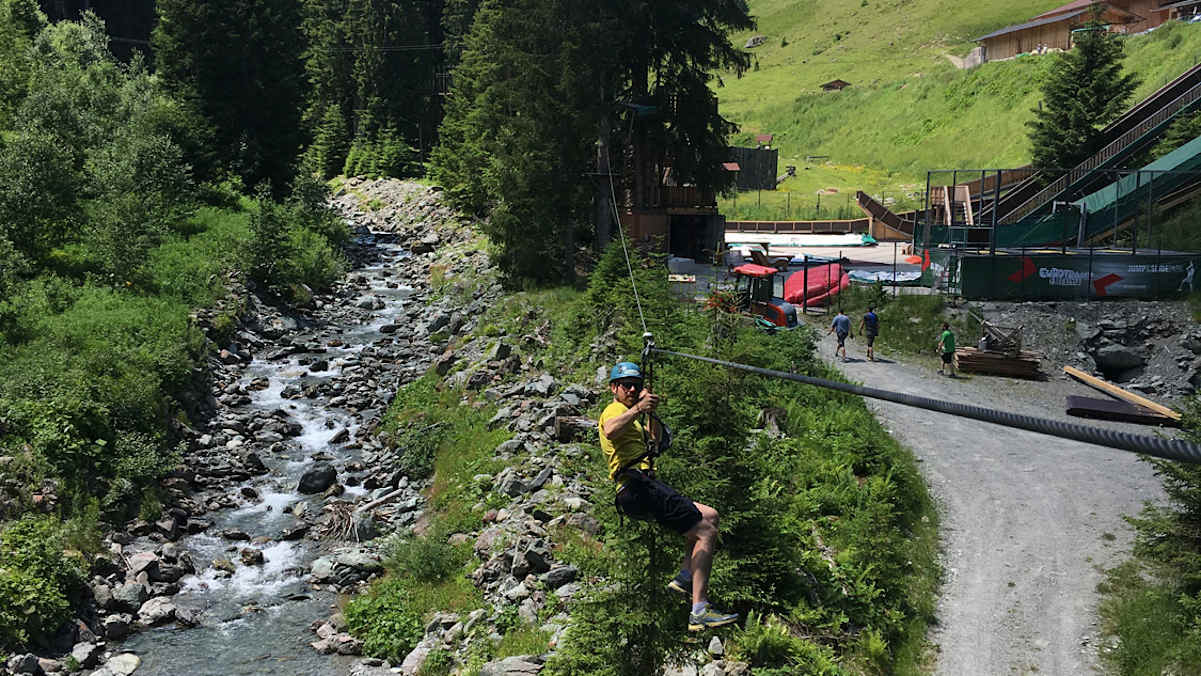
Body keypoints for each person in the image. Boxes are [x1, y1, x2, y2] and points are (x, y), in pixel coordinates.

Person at [598, 361, 739, 632]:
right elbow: (610, 430)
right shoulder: (613, 410)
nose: (631, 389)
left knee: (709, 516)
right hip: (635, 487)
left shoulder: (633, 417)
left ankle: (685, 576)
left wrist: (649, 412)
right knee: (705, 529)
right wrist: (639, 407)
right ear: (613, 388)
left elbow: (656, 442)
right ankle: (699, 609)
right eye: (625, 385)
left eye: (635, 386)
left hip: (642, 489)